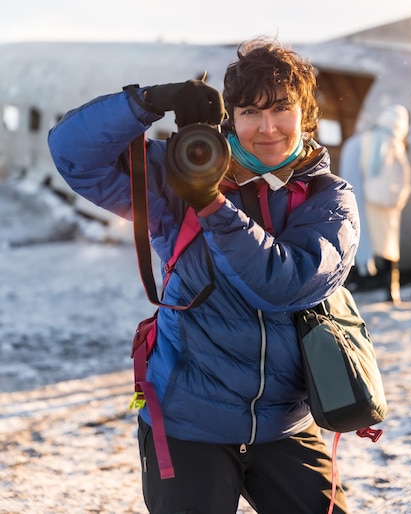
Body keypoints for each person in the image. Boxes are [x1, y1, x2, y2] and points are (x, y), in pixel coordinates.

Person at [48, 37, 359, 514]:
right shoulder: (183, 171)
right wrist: (148, 102)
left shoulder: (328, 200)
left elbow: (282, 282)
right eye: (250, 112)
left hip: (285, 425)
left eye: (281, 108)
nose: (268, 127)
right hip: (186, 423)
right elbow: (72, 153)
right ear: (230, 119)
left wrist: (211, 205)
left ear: (305, 114)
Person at [340, 104, 411, 304]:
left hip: (368, 200)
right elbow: (401, 176)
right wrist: (398, 196)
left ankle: (350, 287)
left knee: (358, 241)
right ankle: (391, 289)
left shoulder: (366, 139)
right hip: (385, 205)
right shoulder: (392, 142)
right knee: (389, 248)